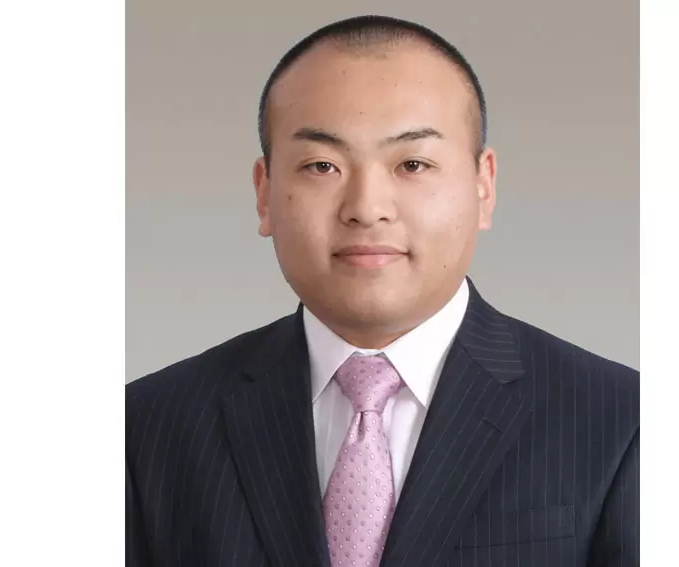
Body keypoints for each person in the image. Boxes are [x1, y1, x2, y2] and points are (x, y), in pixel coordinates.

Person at [126, 14, 639, 567]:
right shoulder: (147, 427)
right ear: (264, 192)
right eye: (322, 166)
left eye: (413, 164)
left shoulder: (622, 423)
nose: (367, 208)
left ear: (483, 185)